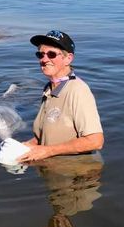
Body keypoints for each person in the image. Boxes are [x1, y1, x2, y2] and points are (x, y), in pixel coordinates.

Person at [18, 29, 104, 162]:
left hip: (78, 176)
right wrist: (29, 146)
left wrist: (48, 151)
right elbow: (46, 135)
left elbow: (95, 141)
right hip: (54, 173)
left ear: (68, 58)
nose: (44, 59)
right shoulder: (49, 88)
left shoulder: (78, 90)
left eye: (51, 54)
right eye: (40, 55)